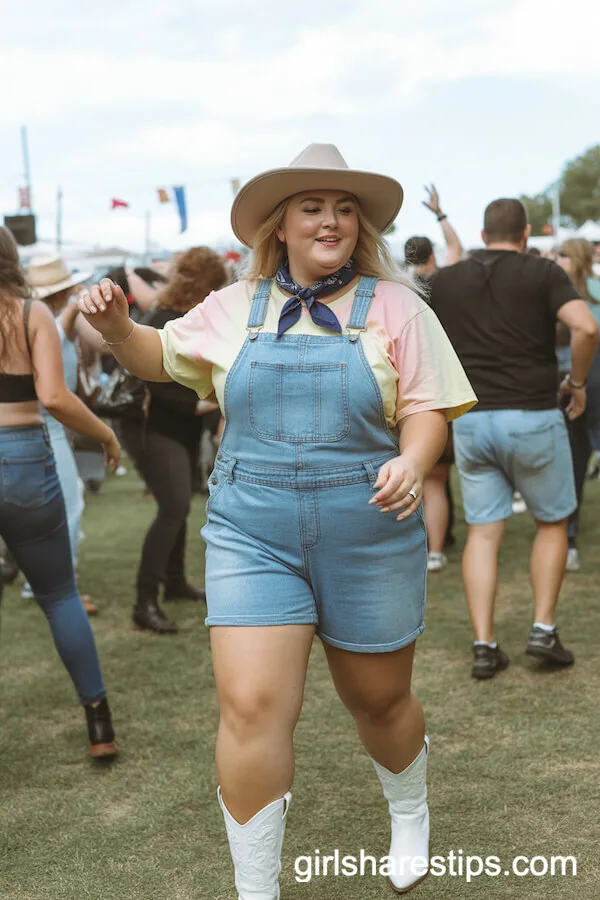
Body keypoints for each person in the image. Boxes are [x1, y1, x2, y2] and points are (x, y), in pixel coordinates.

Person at [79, 143, 476, 896]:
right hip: (251, 531)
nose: (331, 219)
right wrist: (119, 329)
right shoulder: (236, 303)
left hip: (368, 527)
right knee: (253, 704)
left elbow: (426, 409)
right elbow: (160, 358)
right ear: (281, 223)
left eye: (344, 206)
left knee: (379, 700)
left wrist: (414, 461)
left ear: (360, 224)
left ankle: (410, 811)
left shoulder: (397, 306)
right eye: (312, 205)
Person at [430, 199, 599, 680]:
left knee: (484, 532)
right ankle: (543, 630)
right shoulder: (541, 273)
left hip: (472, 419)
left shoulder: (448, 279)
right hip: (533, 414)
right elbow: (586, 326)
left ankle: (485, 645)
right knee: (551, 522)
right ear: (525, 232)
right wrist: (580, 384)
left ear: (483, 233)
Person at [0, 226, 120, 760]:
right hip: (25, 456)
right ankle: (100, 727)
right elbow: (53, 396)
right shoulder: (32, 314)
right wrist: (106, 432)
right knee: (58, 596)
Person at [123, 247, 227, 634]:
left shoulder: (186, 316)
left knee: (178, 506)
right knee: (173, 507)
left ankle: (176, 582)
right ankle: (144, 601)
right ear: (202, 285)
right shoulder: (162, 318)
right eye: (215, 286)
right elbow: (158, 382)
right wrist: (208, 401)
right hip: (150, 426)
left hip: (176, 426)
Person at [27, 254, 113, 614]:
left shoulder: (32, 318)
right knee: (68, 507)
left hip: (42, 424)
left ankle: (43, 584)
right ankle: (63, 589)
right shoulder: (50, 321)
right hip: (50, 426)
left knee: (49, 510)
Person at [405, 186, 464, 572]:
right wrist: (441, 215)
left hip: (412, 388)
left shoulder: (400, 291)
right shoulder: (443, 281)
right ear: (430, 257)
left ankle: (424, 542)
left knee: (418, 474)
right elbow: (456, 251)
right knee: (438, 475)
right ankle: (439, 546)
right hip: (445, 383)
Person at [556, 238, 600, 571]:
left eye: (561, 254)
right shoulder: (555, 293)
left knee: (574, 459)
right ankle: (568, 538)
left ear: (575, 259)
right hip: (571, 385)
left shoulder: (563, 297)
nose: (555, 259)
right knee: (573, 460)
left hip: (580, 384)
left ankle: (569, 539)